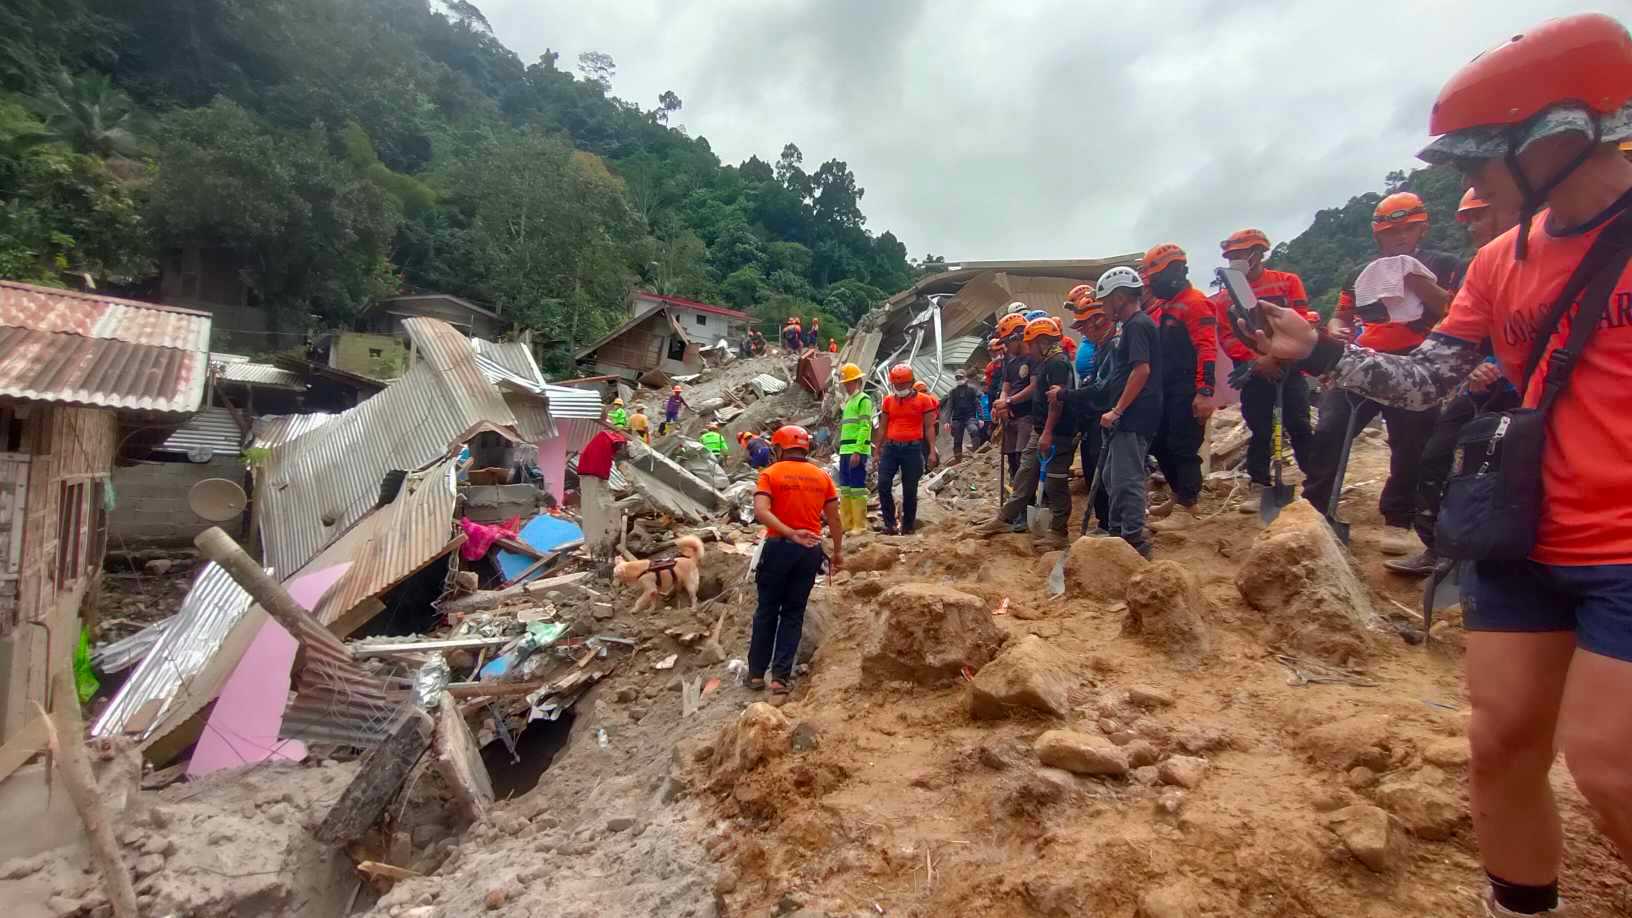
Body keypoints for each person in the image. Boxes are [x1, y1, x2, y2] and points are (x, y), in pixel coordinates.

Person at [1240, 16, 1632, 913]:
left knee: (1610, 766)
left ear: (1557, 137)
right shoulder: (1504, 261)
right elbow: (1424, 376)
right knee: (1500, 744)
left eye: (1476, 163)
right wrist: (1321, 352)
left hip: (1625, 544)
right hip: (1526, 533)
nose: (1468, 182)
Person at [1301, 192, 1459, 554]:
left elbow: (1454, 310)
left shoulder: (1445, 264)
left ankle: (1398, 518)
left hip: (1417, 361)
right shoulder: (1362, 274)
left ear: (1422, 228)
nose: (1400, 237)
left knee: (1410, 442)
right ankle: (1314, 508)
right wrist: (1337, 327)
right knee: (1329, 429)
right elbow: (1342, 314)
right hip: (1364, 359)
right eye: (1391, 232)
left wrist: (1414, 278)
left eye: (1407, 229)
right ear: (1378, 236)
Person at [1388, 189, 1521, 576]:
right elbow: (1460, 331)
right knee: (1435, 458)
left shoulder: (1541, 259)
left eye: (1482, 216)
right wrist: (1476, 364)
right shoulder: (1478, 267)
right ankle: (1437, 548)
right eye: (1470, 219)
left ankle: (1492, 559)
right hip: (1477, 383)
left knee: (1502, 474)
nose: (1475, 227)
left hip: (1522, 391)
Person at [1211, 228, 1317, 513]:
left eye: (1240, 254)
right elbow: (1228, 337)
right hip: (1253, 371)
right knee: (1259, 428)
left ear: (1258, 253)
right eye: (1231, 256)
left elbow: (1301, 323)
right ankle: (1259, 483)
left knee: (1299, 424)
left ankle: (1318, 483)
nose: (1236, 260)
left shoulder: (1286, 283)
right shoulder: (1224, 299)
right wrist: (1258, 360)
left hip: (1289, 367)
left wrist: (1277, 357)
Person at [749, 425, 843, 695]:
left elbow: (761, 511)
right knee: (793, 613)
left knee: (766, 610)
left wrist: (789, 532)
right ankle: (780, 678)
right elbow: (835, 519)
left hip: (779, 546)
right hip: (809, 551)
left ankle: (756, 675)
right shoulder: (821, 477)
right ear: (805, 448)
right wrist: (838, 551)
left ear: (778, 449)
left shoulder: (770, 473)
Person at [976, 316, 1078, 550]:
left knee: (1055, 482)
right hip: (1040, 429)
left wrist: (1048, 433)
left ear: (1042, 342)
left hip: (1057, 432)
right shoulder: (1046, 362)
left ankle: (1059, 532)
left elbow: (1057, 402)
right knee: (1024, 473)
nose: (1028, 350)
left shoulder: (1057, 364)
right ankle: (1005, 518)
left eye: (1031, 344)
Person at [1140, 243, 1219, 532]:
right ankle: (1178, 494)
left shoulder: (1195, 302)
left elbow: (1207, 349)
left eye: (1155, 279)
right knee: (1160, 442)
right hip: (1167, 387)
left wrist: (1205, 391)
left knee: (1183, 445)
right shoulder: (1167, 305)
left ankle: (1188, 504)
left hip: (1189, 386)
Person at [1093, 267, 1162, 557]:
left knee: (1126, 478)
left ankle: (1134, 540)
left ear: (1119, 297)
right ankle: (1118, 531)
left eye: (1106, 301)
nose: (1104, 308)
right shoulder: (1130, 326)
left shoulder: (1137, 325)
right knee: (1111, 476)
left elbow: (1141, 370)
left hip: (1134, 415)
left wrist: (1118, 410)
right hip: (1127, 414)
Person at [1065, 292, 1117, 533]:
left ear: (1099, 321)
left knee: (1105, 473)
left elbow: (1103, 387)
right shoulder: (1099, 349)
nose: (1082, 332)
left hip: (1107, 417)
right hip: (1092, 418)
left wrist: (1071, 395)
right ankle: (1103, 520)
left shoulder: (1114, 347)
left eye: (1085, 325)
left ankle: (1111, 524)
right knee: (1091, 468)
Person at [874, 363, 936, 535]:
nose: (899, 388)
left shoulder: (924, 401)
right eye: (897, 385)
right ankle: (890, 524)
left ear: (911, 382)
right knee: (883, 483)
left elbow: (929, 427)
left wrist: (932, 451)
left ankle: (908, 527)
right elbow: (883, 427)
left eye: (903, 385)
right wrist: (877, 450)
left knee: (910, 489)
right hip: (891, 448)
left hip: (913, 449)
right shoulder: (888, 401)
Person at [992, 312, 1035, 482]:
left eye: (1007, 343)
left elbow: (1034, 387)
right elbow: (1006, 387)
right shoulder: (1010, 363)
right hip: (1010, 417)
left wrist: (1009, 401)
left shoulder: (1033, 359)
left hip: (1027, 415)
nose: (1006, 348)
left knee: (1023, 458)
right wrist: (1001, 403)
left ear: (1017, 337)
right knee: (1012, 459)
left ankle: (1029, 501)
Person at [576, 430, 629, 560]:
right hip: (592, 474)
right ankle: (595, 543)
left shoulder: (603, 441)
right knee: (596, 509)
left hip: (593, 473)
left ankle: (596, 542)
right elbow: (620, 459)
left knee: (598, 508)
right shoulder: (610, 442)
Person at [836, 362, 874, 534]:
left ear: (856, 381)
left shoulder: (863, 400)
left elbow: (865, 427)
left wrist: (858, 450)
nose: (845, 386)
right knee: (845, 488)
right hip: (845, 450)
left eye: (848, 383)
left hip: (856, 451)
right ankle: (847, 524)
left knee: (857, 487)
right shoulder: (850, 401)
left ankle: (859, 525)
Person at [945, 370, 981, 463]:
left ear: (965, 378)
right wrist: (947, 421)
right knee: (957, 438)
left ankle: (977, 453)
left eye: (960, 377)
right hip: (957, 418)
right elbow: (949, 407)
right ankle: (958, 460)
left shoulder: (972, 390)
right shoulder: (953, 392)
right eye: (957, 378)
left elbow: (977, 404)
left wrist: (981, 418)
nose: (959, 379)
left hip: (970, 417)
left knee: (974, 430)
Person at [914, 381, 941, 468]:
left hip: (926, 426)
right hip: (934, 425)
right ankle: (933, 463)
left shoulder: (921, 400)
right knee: (929, 445)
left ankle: (930, 466)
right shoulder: (933, 398)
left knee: (925, 447)